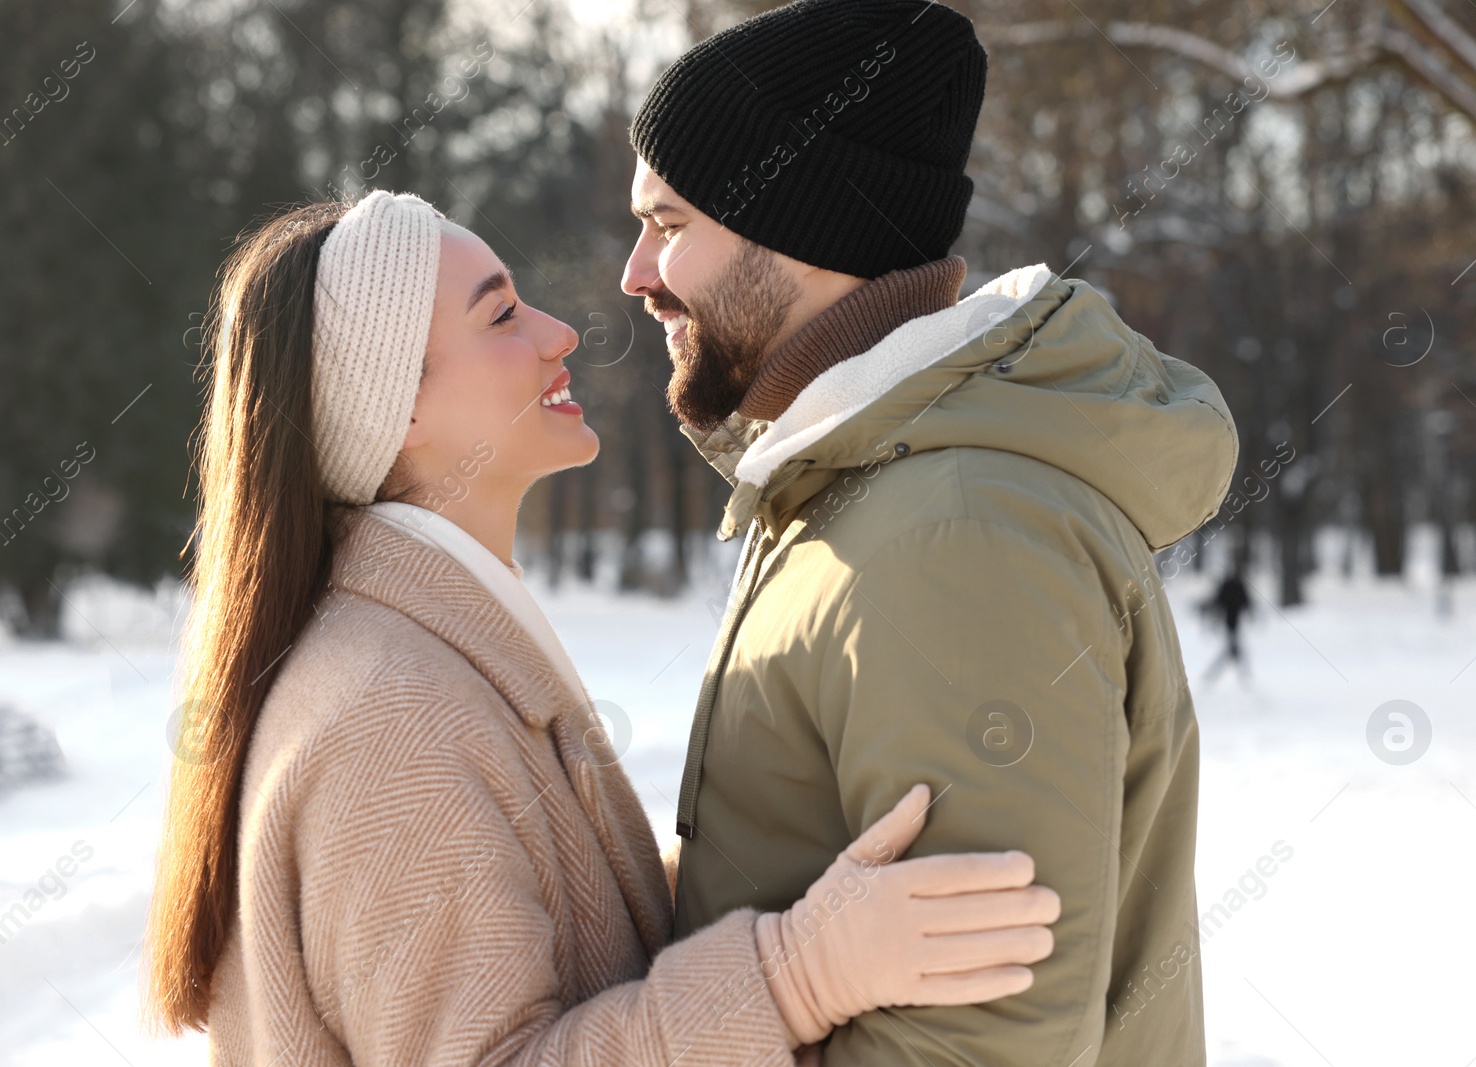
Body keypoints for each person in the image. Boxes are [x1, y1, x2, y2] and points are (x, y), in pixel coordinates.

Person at [143, 190, 1063, 1065]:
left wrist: (782, 844)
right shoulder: (389, 718)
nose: (559, 333)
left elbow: (552, 931)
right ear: (399, 403)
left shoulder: (426, 648)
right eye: (501, 317)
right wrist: (798, 972)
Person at [620, 0, 1240, 1062]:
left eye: (669, 225)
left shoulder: (953, 533)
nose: (636, 275)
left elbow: (979, 1039)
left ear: (798, 228)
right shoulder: (861, 489)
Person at [1201, 569, 1253, 685]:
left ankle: (1213, 675)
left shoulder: (1231, 586)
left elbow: (1219, 601)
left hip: (1233, 622)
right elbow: (1244, 602)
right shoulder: (1234, 586)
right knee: (1232, 650)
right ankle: (1242, 674)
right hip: (1230, 622)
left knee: (1232, 650)